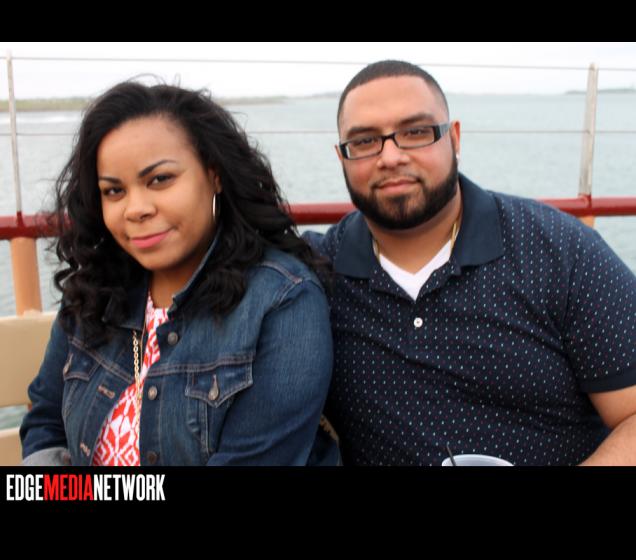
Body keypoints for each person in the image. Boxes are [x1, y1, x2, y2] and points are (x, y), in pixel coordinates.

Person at [304, 60, 636, 466]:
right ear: (342, 157)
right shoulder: (314, 275)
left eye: (415, 132)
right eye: (365, 140)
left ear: (454, 138)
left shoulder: (559, 251)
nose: (390, 156)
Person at [20, 81, 338, 466]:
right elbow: (46, 421)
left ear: (214, 174)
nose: (136, 208)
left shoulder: (281, 302)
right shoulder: (95, 290)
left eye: (160, 179)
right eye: (114, 191)